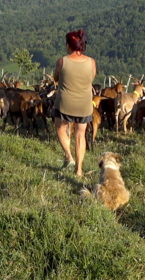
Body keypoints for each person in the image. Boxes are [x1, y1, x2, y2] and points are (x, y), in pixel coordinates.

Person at [52, 29, 96, 178]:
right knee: (80, 135)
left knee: (60, 128)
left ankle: (69, 156)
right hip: (84, 104)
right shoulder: (91, 62)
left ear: (69, 46)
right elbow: (91, 79)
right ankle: (79, 170)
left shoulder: (62, 61)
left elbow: (56, 78)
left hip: (65, 102)